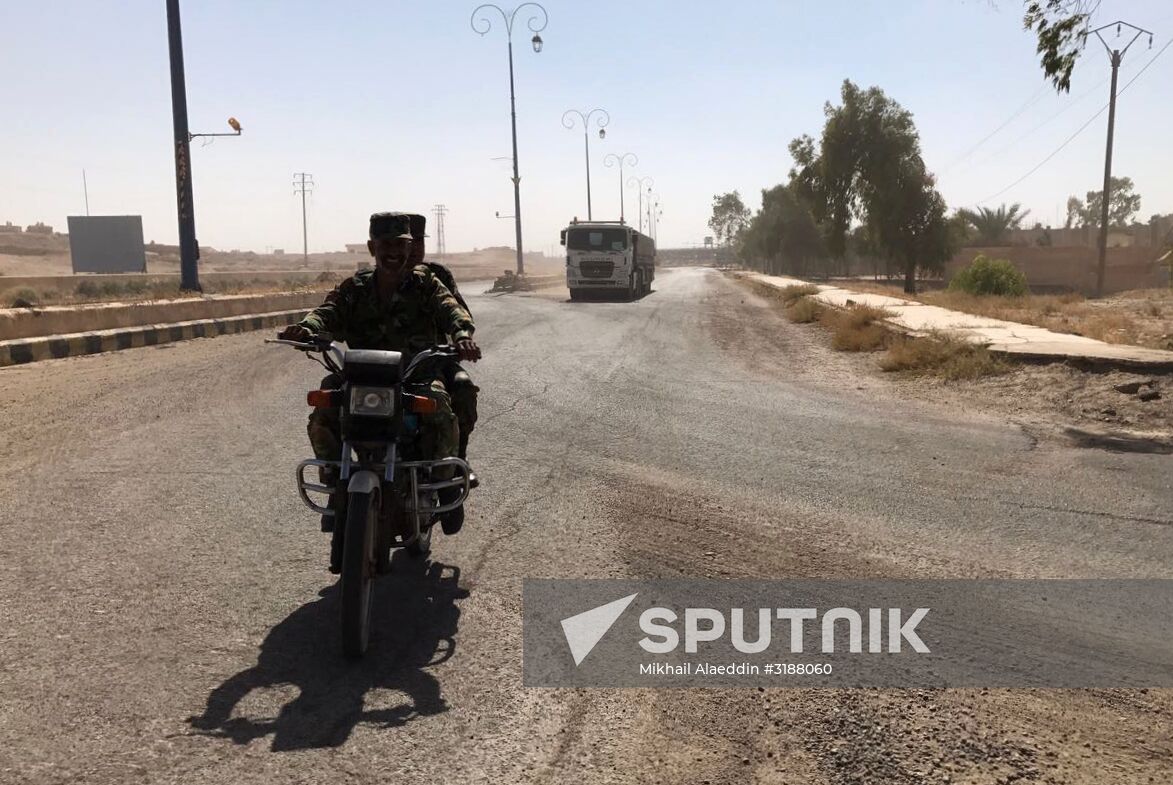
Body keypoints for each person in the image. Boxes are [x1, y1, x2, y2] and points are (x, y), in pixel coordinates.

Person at [278, 212, 481, 541]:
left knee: (440, 407)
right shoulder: (355, 288)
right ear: (373, 247)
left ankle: (445, 482)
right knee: (324, 407)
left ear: (410, 248)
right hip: (362, 376)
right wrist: (306, 328)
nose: (394, 252)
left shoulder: (426, 284)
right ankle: (335, 481)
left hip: (414, 376)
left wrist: (461, 335)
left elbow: (452, 310)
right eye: (386, 245)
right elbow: (328, 312)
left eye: (401, 245)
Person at [405, 213, 479, 461]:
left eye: (419, 241)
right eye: (407, 242)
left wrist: (461, 335)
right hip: (382, 366)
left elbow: (456, 311)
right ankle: (335, 470)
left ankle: (457, 459)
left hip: (431, 361)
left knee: (463, 390)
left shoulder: (435, 276)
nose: (414, 248)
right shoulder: (370, 281)